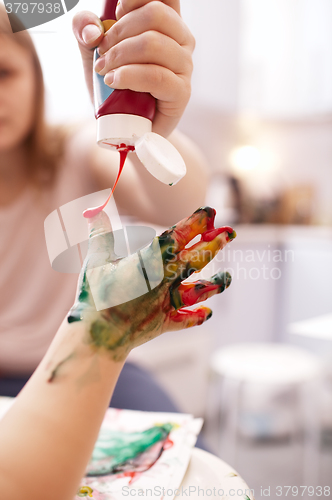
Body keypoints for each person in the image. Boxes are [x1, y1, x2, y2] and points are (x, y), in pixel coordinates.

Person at [0, 0, 209, 412]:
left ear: (36, 79)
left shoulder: (73, 152)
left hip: (85, 360)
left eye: (3, 73)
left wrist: (151, 135)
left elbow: (177, 205)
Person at [0, 205, 235, 500]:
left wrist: (108, 325)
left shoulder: (82, 159)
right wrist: (100, 331)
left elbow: (179, 193)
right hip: (56, 356)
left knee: (197, 466)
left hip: (83, 352)